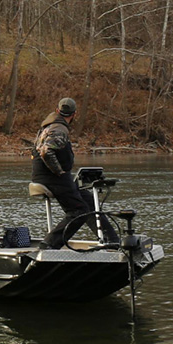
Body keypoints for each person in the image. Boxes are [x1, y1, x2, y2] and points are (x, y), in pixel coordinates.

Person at [30, 97, 119, 249]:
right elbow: (46, 151)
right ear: (74, 114)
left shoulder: (49, 126)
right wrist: (59, 171)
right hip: (52, 178)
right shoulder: (59, 128)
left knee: (89, 201)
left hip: (49, 176)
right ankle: (49, 245)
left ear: (58, 110)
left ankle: (112, 242)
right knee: (78, 211)